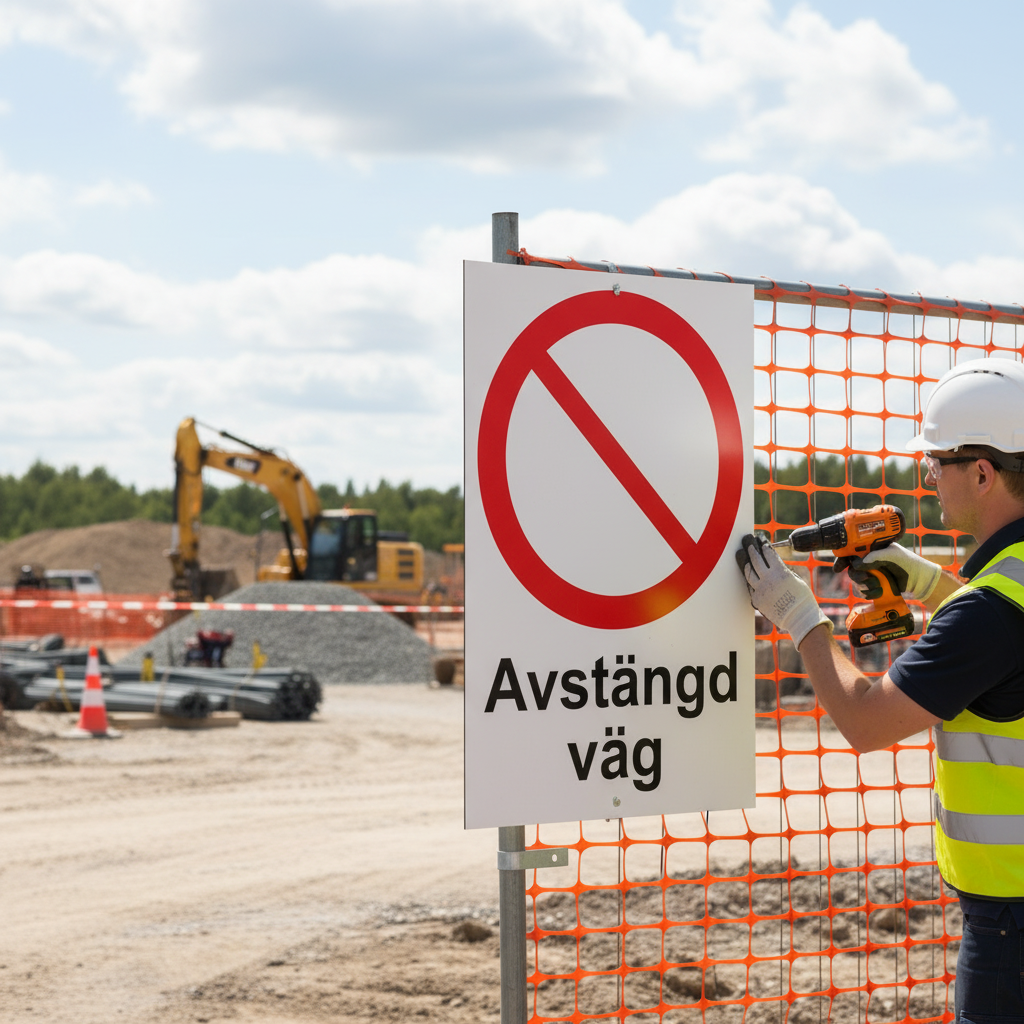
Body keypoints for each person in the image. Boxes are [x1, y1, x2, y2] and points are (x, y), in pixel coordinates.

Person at [736, 356, 1024, 1022]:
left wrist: (802, 617)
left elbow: (866, 723)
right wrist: (926, 583)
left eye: (938, 460)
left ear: (982, 472)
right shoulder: (1003, 592)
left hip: (1010, 918)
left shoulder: (987, 613)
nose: (928, 474)